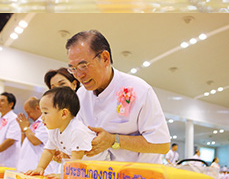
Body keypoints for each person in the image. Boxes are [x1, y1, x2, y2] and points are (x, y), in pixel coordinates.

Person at [66, 29, 170, 162]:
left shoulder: (140, 90)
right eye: (73, 69)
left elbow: (162, 145)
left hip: (138, 178)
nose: (79, 75)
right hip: (98, 177)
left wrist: (113, 140)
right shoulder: (81, 96)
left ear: (105, 58)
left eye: (83, 66)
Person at [29, 88, 94, 176]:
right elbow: (48, 151)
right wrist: (40, 168)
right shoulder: (54, 130)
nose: (42, 118)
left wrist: (64, 175)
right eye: (41, 113)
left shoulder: (77, 131)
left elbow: (76, 160)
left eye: (45, 112)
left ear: (64, 114)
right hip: (83, 172)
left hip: (100, 171)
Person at [16, 96, 49, 173]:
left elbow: (35, 141)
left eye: (29, 112)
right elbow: (25, 142)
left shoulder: (45, 121)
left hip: (36, 167)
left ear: (38, 108)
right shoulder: (34, 124)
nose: (28, 116)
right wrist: (22, 130)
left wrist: (25, 128)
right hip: (26, 166)